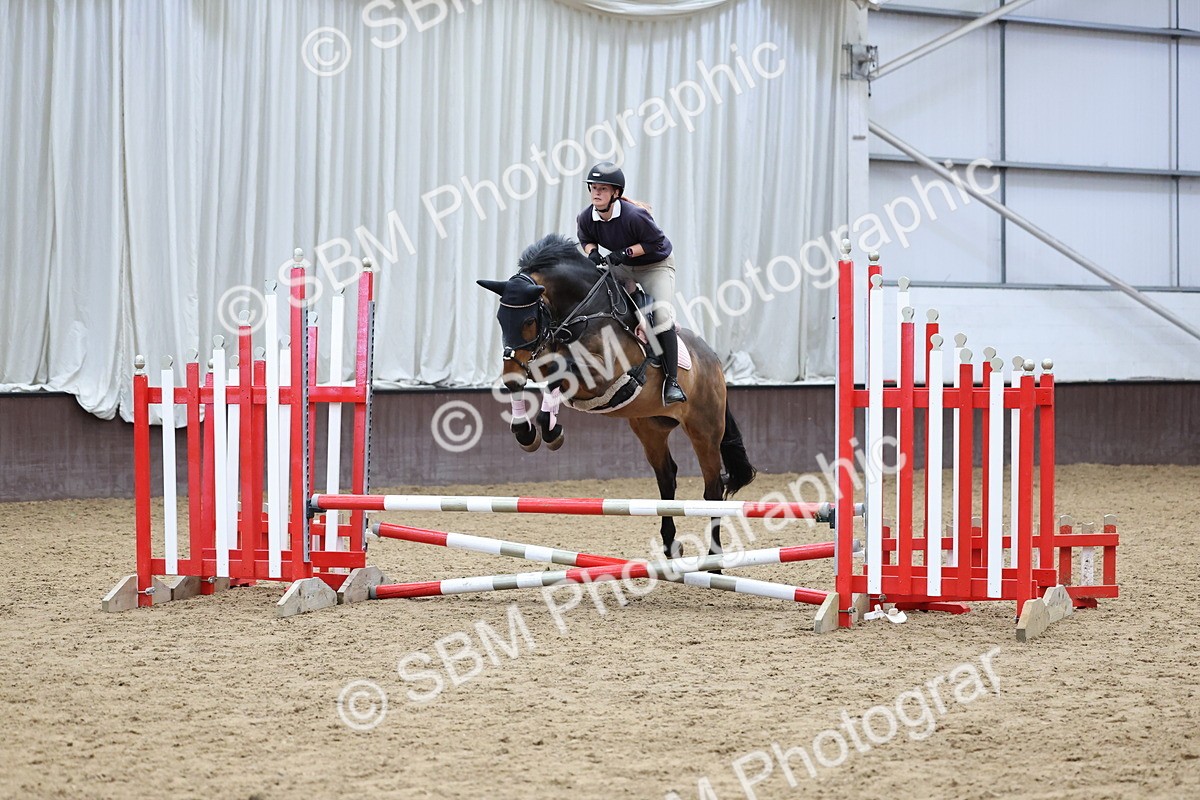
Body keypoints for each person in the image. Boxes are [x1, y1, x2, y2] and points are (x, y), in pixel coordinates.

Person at [576, 161, 687, 405]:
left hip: (656, 265)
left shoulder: (635, 216)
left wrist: (624, 253)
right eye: (593, 188)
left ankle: (672, 381)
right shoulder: (586, 217)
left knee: (661, 315)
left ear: (616, 193)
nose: (596, 193)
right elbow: (585, 237)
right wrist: (592, 252)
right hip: (623, 265)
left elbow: (657, 244)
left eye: (603, 189)